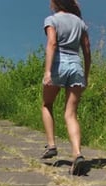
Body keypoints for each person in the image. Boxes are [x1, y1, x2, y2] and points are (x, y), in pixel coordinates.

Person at [40, 0, 91, 176]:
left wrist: (48, 71)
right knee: (71, 114)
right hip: (76, 66)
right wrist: (86, 74)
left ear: (55, 4)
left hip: (58, 65)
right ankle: (77, 153)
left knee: (47, 104)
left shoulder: (51, 20)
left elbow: (52, 44)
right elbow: (87, 50)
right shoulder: (80, 23)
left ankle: (52, 145)